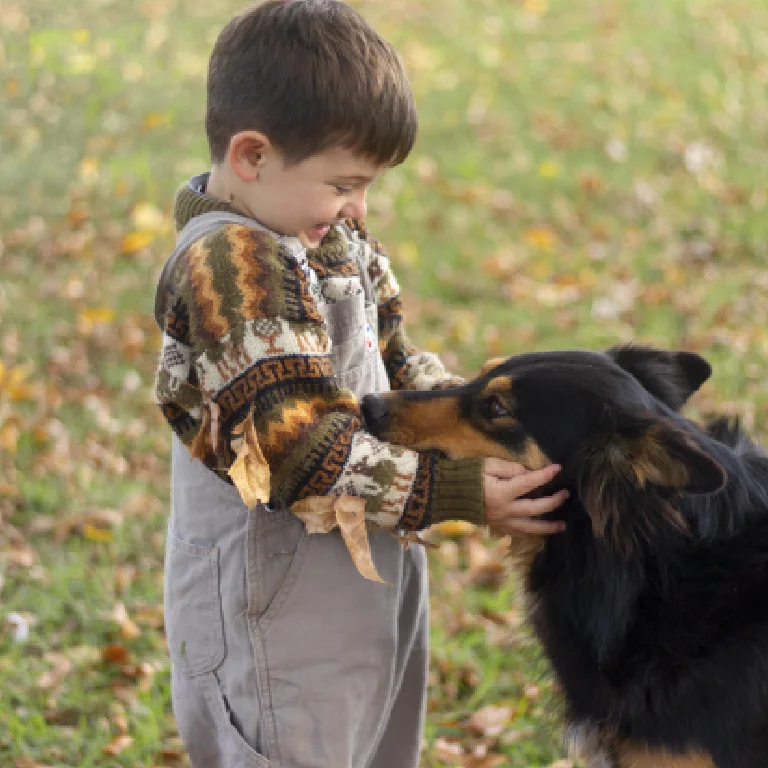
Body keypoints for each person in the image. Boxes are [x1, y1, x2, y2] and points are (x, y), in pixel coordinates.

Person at [152, 2, 568, 766]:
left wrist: (478, 418)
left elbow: (396, 358)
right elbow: (292, 450)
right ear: (252, 156)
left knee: (373, 737)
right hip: (272, 595)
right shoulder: (228, 268)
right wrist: (458, 490)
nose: (358, 207)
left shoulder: (324, 234)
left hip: (366, 564)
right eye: (344, 183)